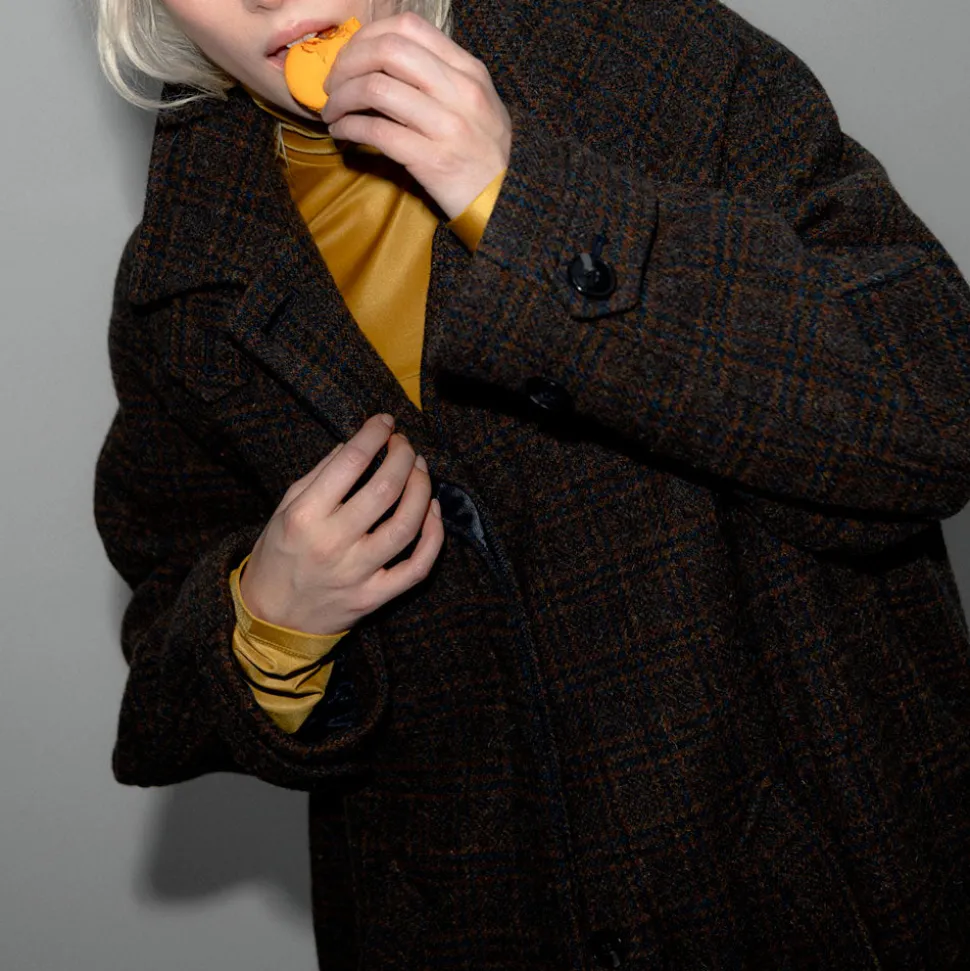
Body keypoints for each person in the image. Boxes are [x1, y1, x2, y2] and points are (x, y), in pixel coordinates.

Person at [93, 0, 970, 965]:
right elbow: (162, 668)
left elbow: (933, 405)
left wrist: (531, 206)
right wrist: (264, 621)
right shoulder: (179, 277)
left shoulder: (652, 60)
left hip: (815, 897)